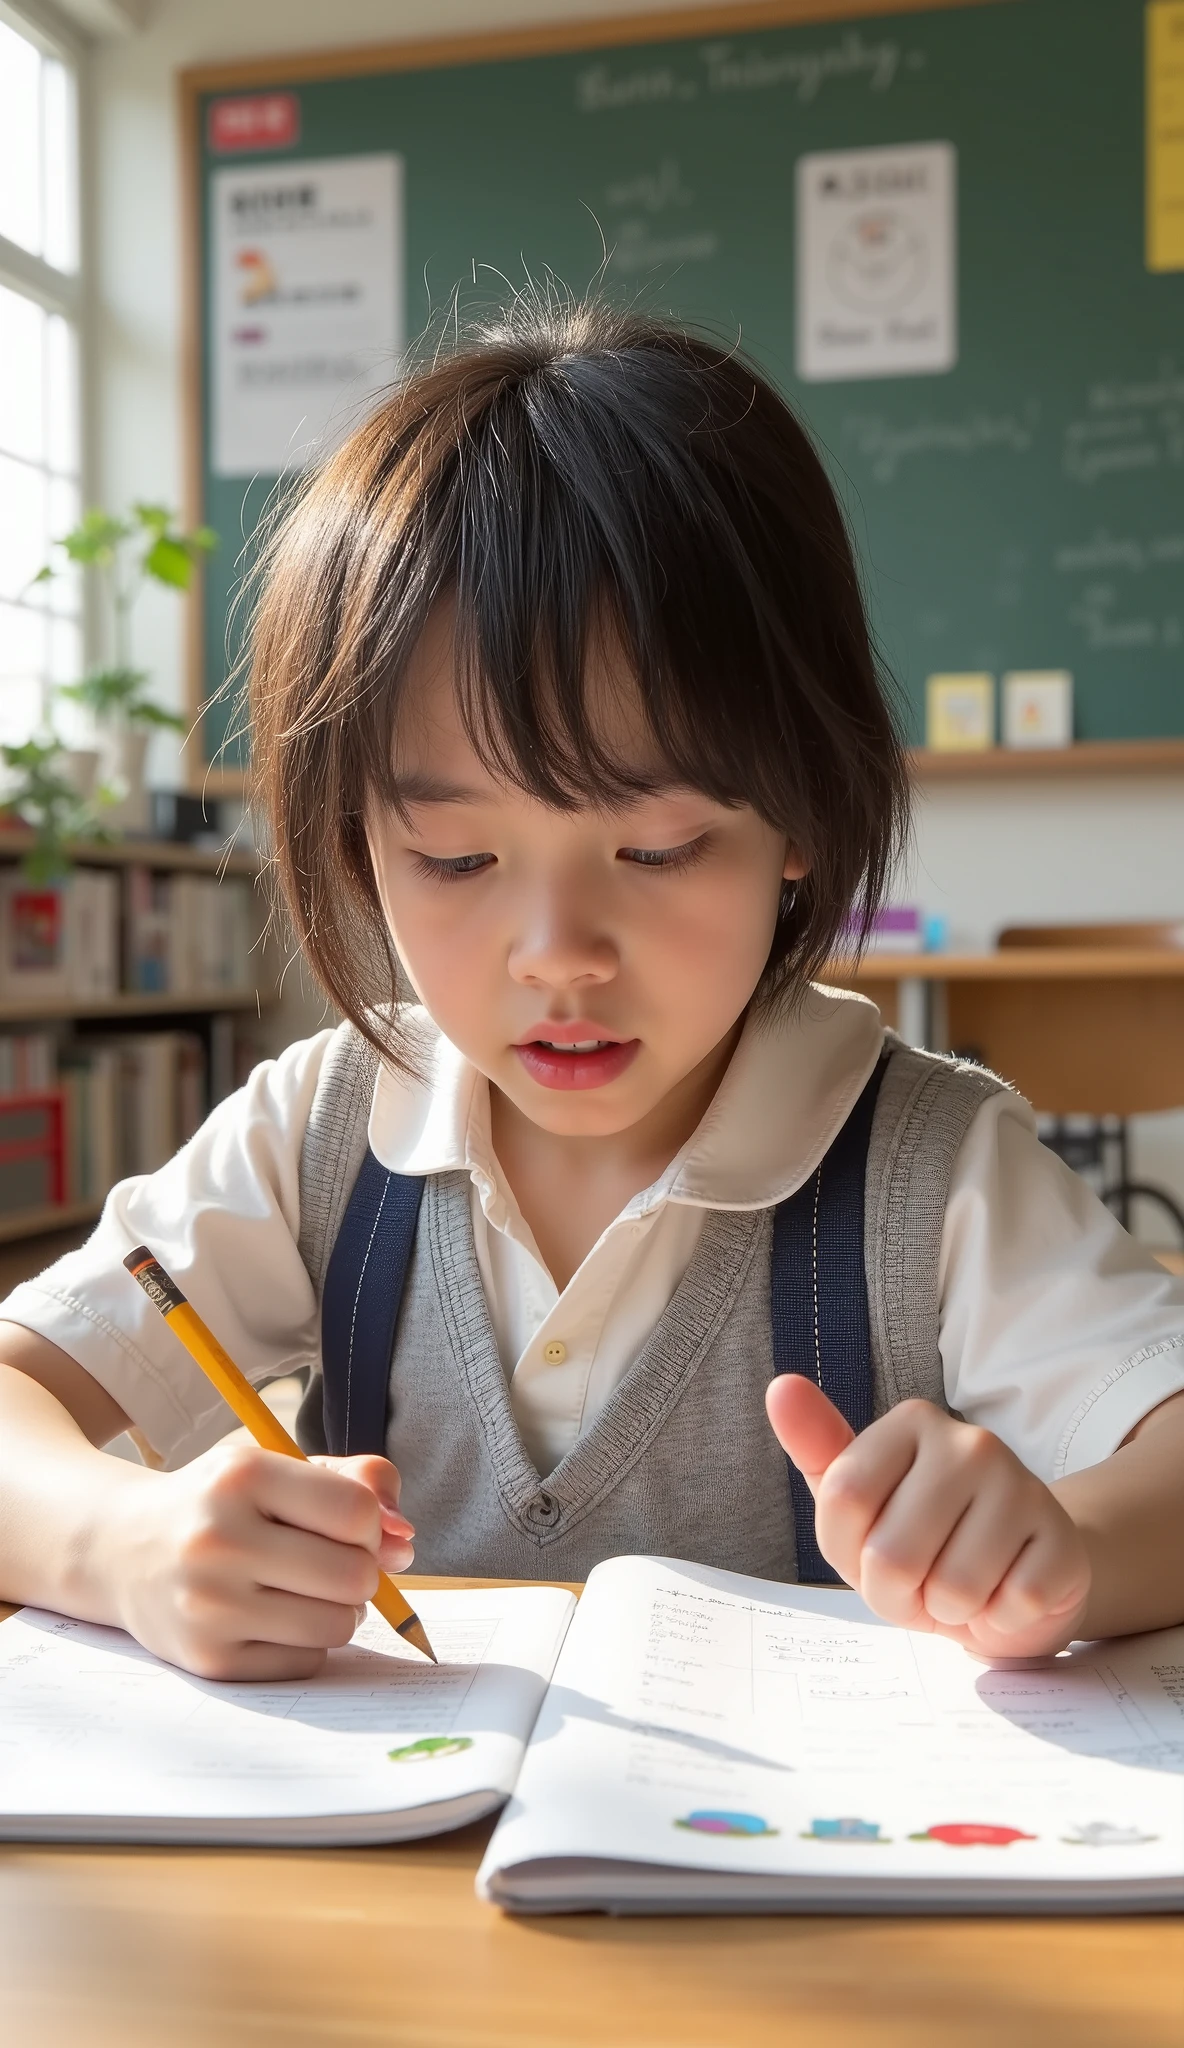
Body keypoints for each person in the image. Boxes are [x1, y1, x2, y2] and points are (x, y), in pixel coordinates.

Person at [1, 302, 1182, 1683]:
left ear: (799, 816)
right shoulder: (325, 1128)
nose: (558, 950)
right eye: (455, 858)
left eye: (657, 849)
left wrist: (1068, 1544)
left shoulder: (932, 1172)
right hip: (381, 1891)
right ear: (353, 844)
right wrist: (122, 1544)